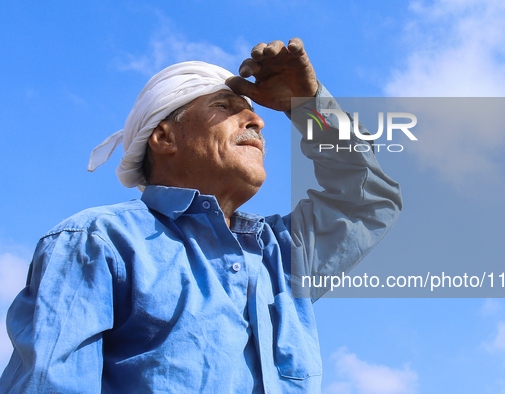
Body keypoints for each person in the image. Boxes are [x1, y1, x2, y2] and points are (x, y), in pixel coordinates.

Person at [0, 38, 401, 393]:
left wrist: (307, 107)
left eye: (254, 111)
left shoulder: (278, 255)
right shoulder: (100, 241)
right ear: (164, 137)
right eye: (224, 106)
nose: (258, 120)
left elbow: (368, 200)